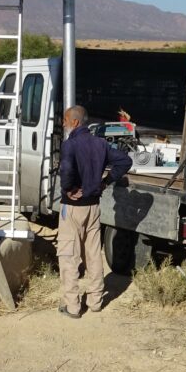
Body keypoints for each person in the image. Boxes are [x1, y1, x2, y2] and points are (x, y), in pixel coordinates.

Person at [57, 105, 132, 318]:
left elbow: (67, 170)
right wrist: (105, 183)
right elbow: (125, 161)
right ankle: (96, 301)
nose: (63, 123)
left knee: (69, 255)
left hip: (72, 208)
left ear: (75, 122)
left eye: (65, 119)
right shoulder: (100, 144)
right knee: (93, 255)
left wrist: (69, 189)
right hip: (93, 206)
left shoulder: (69, 145)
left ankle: (72, 307)